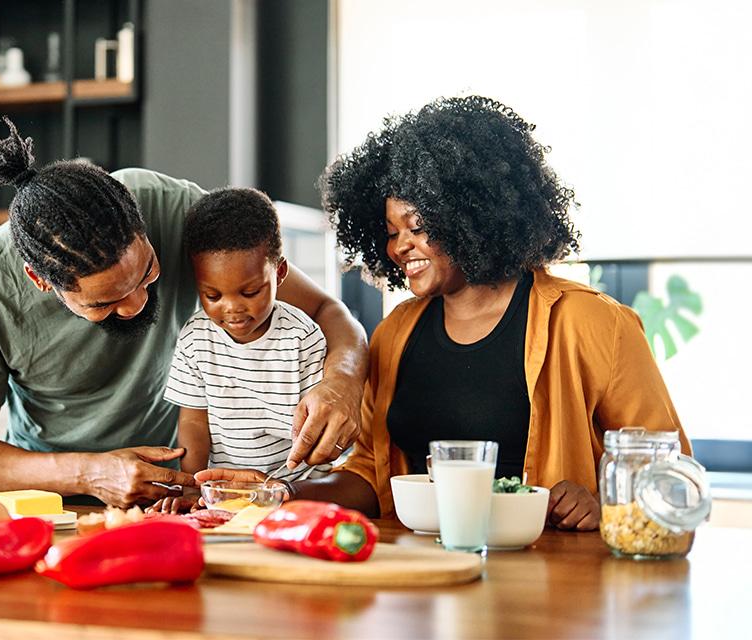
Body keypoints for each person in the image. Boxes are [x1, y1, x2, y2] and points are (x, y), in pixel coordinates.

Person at [198, 96, 688, 531]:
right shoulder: (396, 333)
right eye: (390, 232)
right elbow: (372, 476)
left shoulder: (591, 323)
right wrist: (280, 494)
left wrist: (601, 502)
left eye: (418, 226)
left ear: (474, 216)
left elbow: (673, 475)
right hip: (426, 590)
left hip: (555, 590)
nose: (400, 247)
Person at [0, 118, 368, 508]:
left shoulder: (172, 209)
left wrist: (343, 381)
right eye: (103, 303)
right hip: (58, 505)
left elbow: (329, 311)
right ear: (43, 282)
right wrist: (88, 474)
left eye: (149, 272)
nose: (138, 303)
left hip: (180, 495)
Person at [162, 188, 329, 488]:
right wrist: (191, 486)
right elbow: (193, 422)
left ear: (279, 274)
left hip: (296, 487)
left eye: (250, 292)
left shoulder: (302, 337)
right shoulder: (194, 339)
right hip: (225, 490)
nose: (232, 308)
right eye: (212, 295)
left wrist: (286, 487)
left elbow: (319, 423)